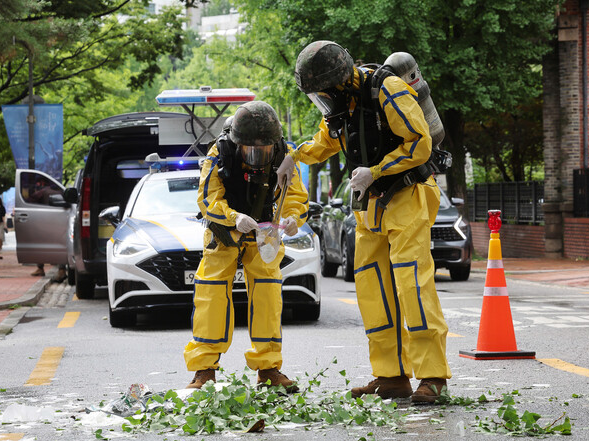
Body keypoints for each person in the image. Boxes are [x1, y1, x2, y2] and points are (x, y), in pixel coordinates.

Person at [278, 41, 451, 403]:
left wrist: (375, 171)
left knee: (412, 289)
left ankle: (433, 376)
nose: (322, 101)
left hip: (407, 196)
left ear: (339, 82)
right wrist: (293, 156)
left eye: (322, 93)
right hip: (370, 209)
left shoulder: (387, 89)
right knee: (374, 292)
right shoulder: (341, 107)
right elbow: (324, 143)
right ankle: (391, 376)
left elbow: (419, 143)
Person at [183, 101, 308, 393]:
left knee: (267, 294)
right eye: (250, 150)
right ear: (238, 144)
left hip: (264, 230)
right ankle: (204, 371)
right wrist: (233, 217)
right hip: (225, 230)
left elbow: (294, 195)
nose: (257, 156)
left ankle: (269, 369)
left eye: (263, 150)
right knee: (211, 294)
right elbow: (207, 198)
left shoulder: (284, 155)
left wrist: (292, 219)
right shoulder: (219, 152)